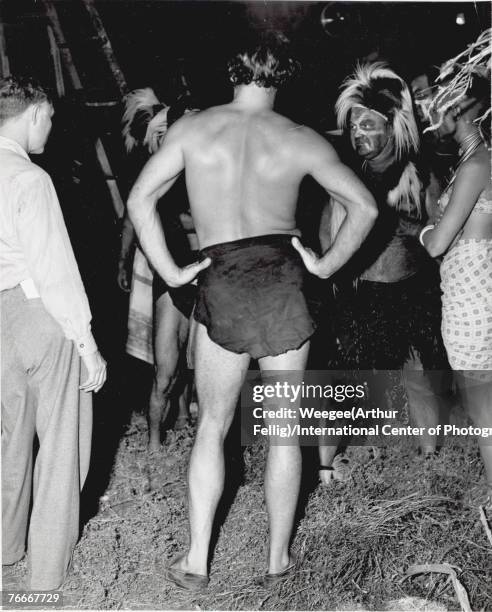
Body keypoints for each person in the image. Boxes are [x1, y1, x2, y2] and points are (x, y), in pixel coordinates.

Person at [128, 32, 377, 590]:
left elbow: (139, 198)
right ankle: (277, 562)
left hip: (223, 278)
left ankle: (196, 561)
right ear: (284, 76)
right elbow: (363, 205)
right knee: (285, 431)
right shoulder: (300, 138)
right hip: (284, 280)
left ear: (232, 71)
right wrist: (324, 266)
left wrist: (170, 273)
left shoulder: (193, 128)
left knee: (212, 425)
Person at [318, 63, 451, 484]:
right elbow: (329, 235)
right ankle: (347, 456)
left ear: (392, 125)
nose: (358, 135)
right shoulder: (348, 179)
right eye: (354, 128)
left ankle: (429, 453)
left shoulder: (423, 174)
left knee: (418, 373)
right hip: (365, 292)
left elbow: (444, 231)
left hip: (415, 289)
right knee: (358, 379)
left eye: (368, 126)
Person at [0, 76, 107, 590]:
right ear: (34, 113)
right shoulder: (30, 178)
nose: (52, 126)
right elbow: (55, 270)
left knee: (8, 438)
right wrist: (87, 346)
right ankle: (43, 577)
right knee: (62, 441)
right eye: (49, 116)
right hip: (37, 312)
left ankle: (3, 549)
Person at [420, 29, 492, 507]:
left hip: (473, 298)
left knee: (484, 406)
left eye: (438, 104)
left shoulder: (477, 165)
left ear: (462, 107)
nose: (430, 115)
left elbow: (436, 243)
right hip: (470, 291)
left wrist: (427, 230)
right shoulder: (471, 161)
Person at [120, 88, 198, 449]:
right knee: (166, 368)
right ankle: (153, 442)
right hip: (172, 278)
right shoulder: (156, 176)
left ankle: (184, 417)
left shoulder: (201, 169)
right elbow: (133, 218)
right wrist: (123, 261)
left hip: (203, 275)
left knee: (194, 364)